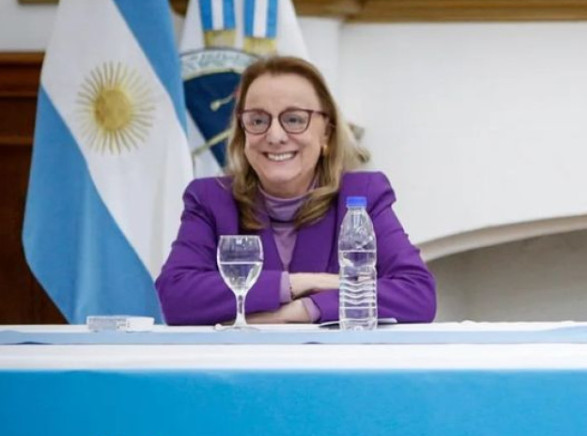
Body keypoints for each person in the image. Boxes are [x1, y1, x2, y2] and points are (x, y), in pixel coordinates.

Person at [156, 56, 436, 325]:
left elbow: (416, 295)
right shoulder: (210, 199)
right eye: (257, 120)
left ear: (326, 132)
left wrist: (303, 310)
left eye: (293, 119)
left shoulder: (364, 193)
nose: (275, 136)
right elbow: (175, 296)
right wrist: (299, 283)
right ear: (243, 134)